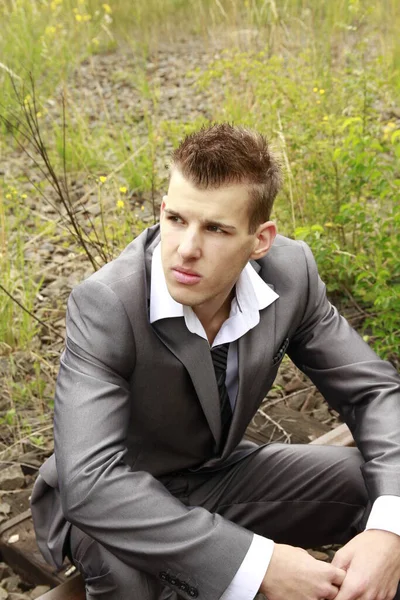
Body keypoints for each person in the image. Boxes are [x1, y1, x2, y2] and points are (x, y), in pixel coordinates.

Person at [31, 123, 400, 600]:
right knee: (128, 579)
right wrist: (259, 563)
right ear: (162, 210)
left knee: (378, 490)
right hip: (113, 500)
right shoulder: (106, 304)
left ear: (260, 239)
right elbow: (90, 482)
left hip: (216, 474)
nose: (186, 249)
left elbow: (373, 393)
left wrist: (388, 533)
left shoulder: (292, 275)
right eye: (177, 219)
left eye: (217, 229)